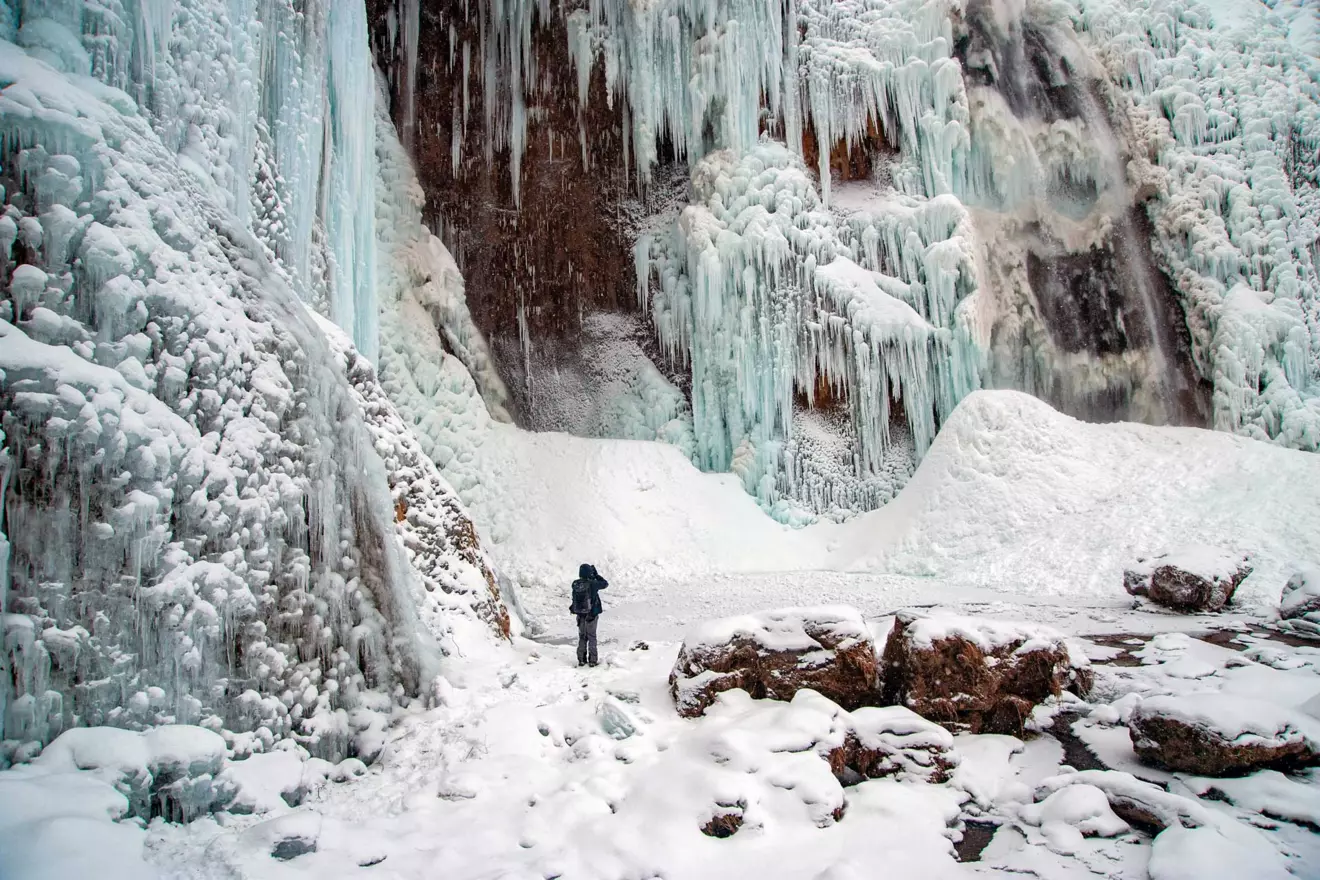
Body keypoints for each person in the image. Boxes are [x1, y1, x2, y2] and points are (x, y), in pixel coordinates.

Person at [570, 563, 608, 667]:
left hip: (580, 615)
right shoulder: (593, 584)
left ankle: (581, 659)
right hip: (591, 615)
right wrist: (596, 575)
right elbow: (605, 584)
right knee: (592, 637)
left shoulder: (575, 584)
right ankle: (592, 660)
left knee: (582, 637)